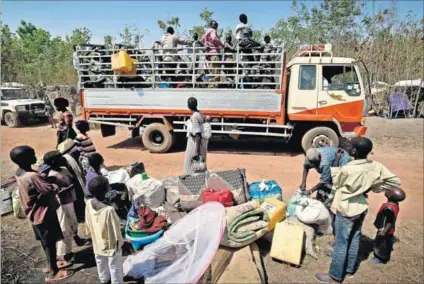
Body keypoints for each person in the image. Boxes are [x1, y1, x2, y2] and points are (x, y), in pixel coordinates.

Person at [315, 137, 401, 283]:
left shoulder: (347, 169)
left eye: (350, 146)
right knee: (354, 239)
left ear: (354, 151)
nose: (348, 148)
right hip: (361, 207)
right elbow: (394, 181)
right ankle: (349, 270)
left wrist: (335, 164)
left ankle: (335, 275)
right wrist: (373, 187)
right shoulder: (375, 166)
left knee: (341, 243)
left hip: (346, 209)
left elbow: (336, 182)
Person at [10, 146, 74, 282]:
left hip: (34, 213)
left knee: (45, 242)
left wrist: (42, 178)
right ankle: (53, 272)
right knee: (50, 242)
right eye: (32, 155)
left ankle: (50, 264)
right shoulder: (33, 176)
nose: (35, 156)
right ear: (25, 159)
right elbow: (48, 190)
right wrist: (55, 183)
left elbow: (36, 184)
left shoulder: (20, 172)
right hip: (43, 213)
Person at [43, 151, 86, 262]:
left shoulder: (64, 169)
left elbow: (71, 179)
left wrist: (71, 185)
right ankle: (64, 253)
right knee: (64, 228)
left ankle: (75, 239)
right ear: (53, 162)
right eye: (59, 158)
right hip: (61, 204)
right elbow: (56, 191)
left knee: (73, 222)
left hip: (69, 200)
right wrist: (70, 187)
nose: (62, 159)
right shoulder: (51, 175)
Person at [85, 176, 124, 284]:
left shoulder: (89, 202)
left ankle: (104, 279)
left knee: (100, 260)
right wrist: (119, 244)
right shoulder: (109, 210)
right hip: (111, 243)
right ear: (106, 190)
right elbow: (115, 230)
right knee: (115, 265)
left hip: (97, 239)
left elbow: (88, 220)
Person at [370, 186, 406, 264]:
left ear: (389, 196)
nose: (386, 191)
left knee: (383, 244)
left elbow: (389, 220)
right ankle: (379, 255)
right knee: (384, 242)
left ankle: (379, 258)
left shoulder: (389, 208)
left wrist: (384, 231)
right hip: (387, 229)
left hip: (385, 230)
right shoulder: (395, 204)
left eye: (388, 191)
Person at [183, 97, 209, 175]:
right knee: (200, 162)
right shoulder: (200, 113)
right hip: (200, 142)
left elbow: (198, 134)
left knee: (191, 162)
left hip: (194, 143)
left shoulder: (194, 116)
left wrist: (196, 151)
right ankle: (201, 177)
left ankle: (190, 178)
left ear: (188, 106)